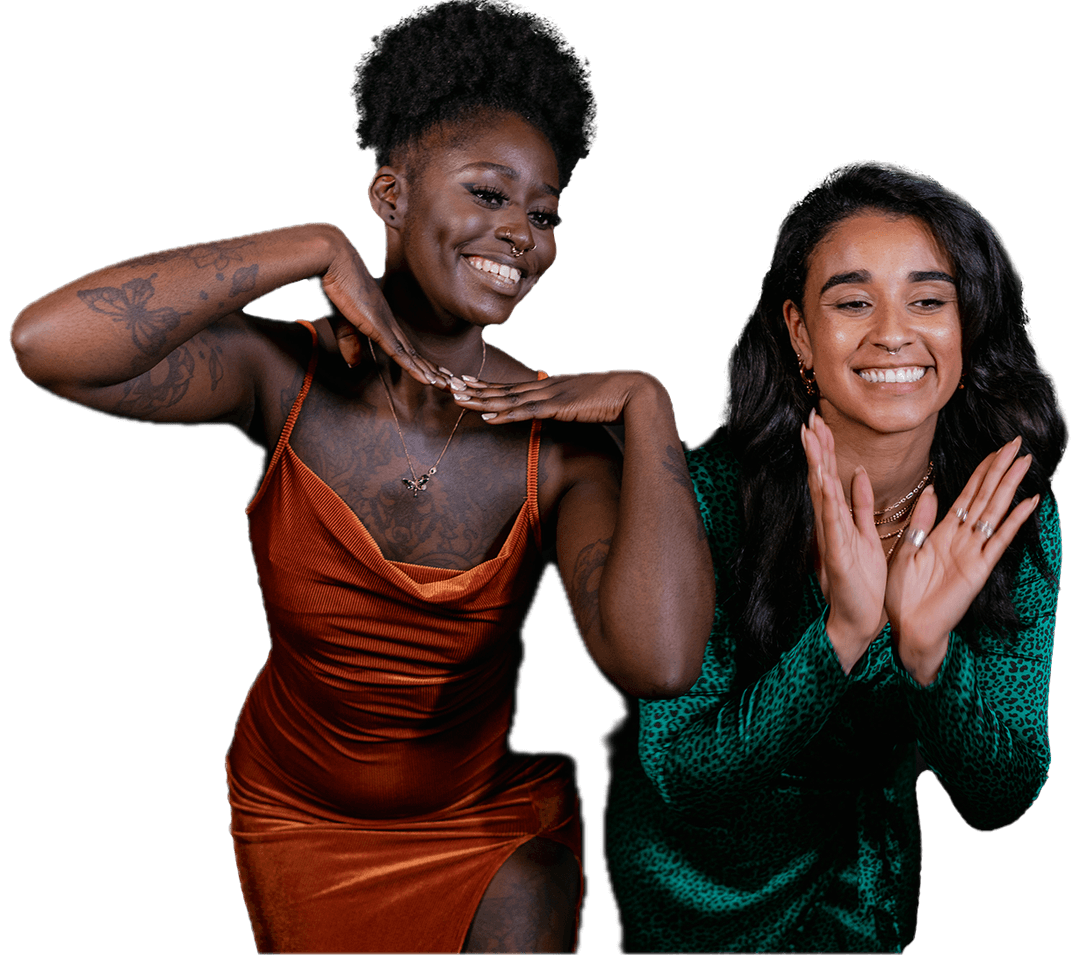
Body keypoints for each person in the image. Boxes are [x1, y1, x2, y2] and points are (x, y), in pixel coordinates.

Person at [9, 2, 714, 952]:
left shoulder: (561, 446)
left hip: (477, 819)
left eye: (544, 214)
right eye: (489, 193)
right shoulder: (284, 377)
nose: (522, 234)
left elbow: (660, 662)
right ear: (389, 195)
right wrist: (311, 246)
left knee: (530, 902)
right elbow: (46, 344)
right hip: (296, 814)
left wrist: (647, 402)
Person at [602, 160, 1068, 954]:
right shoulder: (706, 494)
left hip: (859, 880)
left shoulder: (1004, 510)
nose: (893, 332)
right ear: (798, 333)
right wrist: (841, 637)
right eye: (854, 301)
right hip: (695, 887)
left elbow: (1003, 794)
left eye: (929, 300)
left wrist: (930, 656)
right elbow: (682, 770)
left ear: (968, 325)